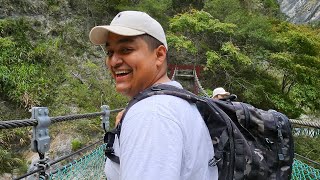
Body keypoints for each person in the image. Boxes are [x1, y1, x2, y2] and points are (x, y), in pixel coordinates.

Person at [89, 11, 218, 180]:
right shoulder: (179, 102)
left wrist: (139, 119)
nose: (113, 61)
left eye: (126, 50)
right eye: (110, 52)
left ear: (159, 55)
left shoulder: (151, 115)